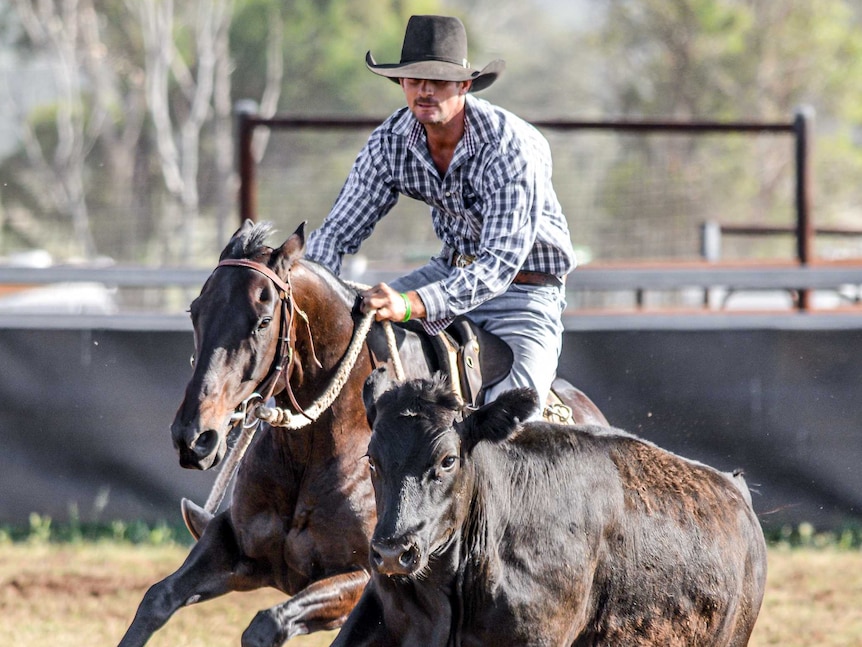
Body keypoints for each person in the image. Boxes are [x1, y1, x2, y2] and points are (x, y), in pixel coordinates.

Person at [305, 14, 576, 407]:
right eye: (414, 80)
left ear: (465, 84)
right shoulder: (391, 142)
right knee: (349, 335)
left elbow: (499, 265)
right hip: (449, 269)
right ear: (401, 83)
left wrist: (410, 303)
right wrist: (315, 299)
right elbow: (336, 232)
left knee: (514, 418)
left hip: (524, 291)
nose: (424, 91)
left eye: (438, 81)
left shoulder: (510, 147)